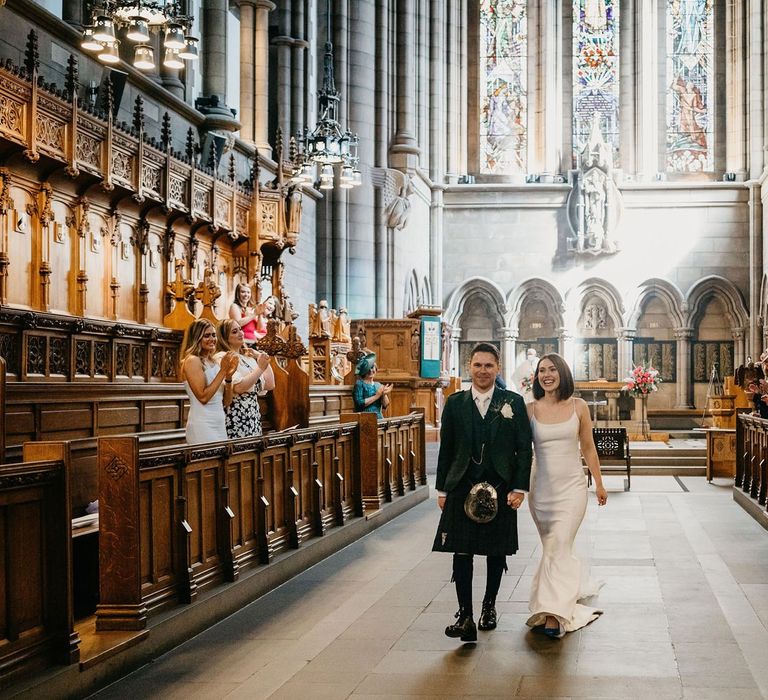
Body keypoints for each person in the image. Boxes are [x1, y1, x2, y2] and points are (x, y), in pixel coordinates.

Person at [432, 342, 532, 642]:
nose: (483, 371)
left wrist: (519, 487)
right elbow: (446, 448)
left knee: (495, 550)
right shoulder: (455, 403)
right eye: (478, 365)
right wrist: (442, 488)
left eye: (489, 365)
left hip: (500, 486)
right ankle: (465, 615)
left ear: (497, 368)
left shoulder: (512, 402)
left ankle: (489, 607)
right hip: (461, 484)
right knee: (461, 551)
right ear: (469, 367)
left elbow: (523, 449)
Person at [526, 353, 608, 639]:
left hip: (572, 487)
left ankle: (554, 613)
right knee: (552, 548)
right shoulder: (530, 409)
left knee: (560, 544)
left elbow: (588, 448)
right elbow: (521, 452)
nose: (546, 375)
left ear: (562, 373)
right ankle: (553, 603)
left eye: (551, 369)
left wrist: (598, 483)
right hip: (542, 490)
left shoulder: (579, 407)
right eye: (541, 371)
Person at [180, 319, 239, 444]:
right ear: (197, 338)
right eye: (206, 335)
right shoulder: (192, 361)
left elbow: (227, 402)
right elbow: (203, 397)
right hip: (202, 425)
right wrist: (223, 371)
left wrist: (228, 377)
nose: (212, 339)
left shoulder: (213, 362)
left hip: (219, 424)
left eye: (213, 335)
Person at [215, 319, 276, 438]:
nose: (241, 333)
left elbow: (270, 384)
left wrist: (259, 356)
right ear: (224, 337)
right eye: (234, 331)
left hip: (252, 414)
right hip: (236, 414)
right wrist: (260, 368)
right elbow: (239, 387)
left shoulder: (247, 357)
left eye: (240, 329)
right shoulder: (222, 357)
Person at [353, 353, 392, 419]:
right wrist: (377, 396)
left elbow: (385, 405)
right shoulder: (359, 384)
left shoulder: (378, 385)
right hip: (365, 418)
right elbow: (360, 403)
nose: (371, 371)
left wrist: (384, 395)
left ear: (376, 369)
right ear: (363, 371)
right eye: (368, 369)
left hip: (379, 418)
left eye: (372, 368)